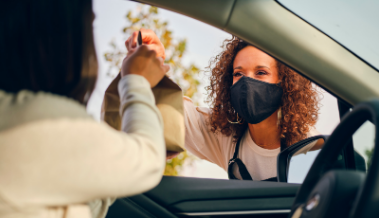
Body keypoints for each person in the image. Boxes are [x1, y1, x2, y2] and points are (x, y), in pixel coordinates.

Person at [0, 1, 169, 218]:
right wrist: (136, 82)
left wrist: (128, 82)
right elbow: (148, 159)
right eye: (89, 24)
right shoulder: (32, 123)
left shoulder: (17, 120)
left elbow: (96, 191)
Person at [127, 31, 323, 181]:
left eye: (261, 72)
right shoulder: (226, 137)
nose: (247, 83)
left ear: (286, 84)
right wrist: (153, 61)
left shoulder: (310, 146)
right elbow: (170, 110)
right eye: (238, 74)